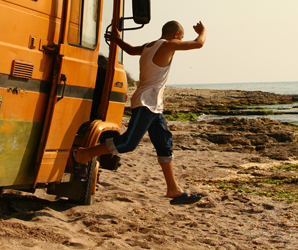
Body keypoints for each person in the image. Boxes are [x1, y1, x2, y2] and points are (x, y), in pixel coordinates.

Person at [73, 20, 207, 205]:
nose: (180, 42)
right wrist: (203, 31)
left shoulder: (149, 45)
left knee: (165, 144)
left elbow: (131, 50)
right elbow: (199, 43)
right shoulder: (168, 44)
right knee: (128, 143)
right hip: (145, 103)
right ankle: (84, 154)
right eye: (181, 38)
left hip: (154, 106)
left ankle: (173, 189)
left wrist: (117, 40)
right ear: (176, 35)